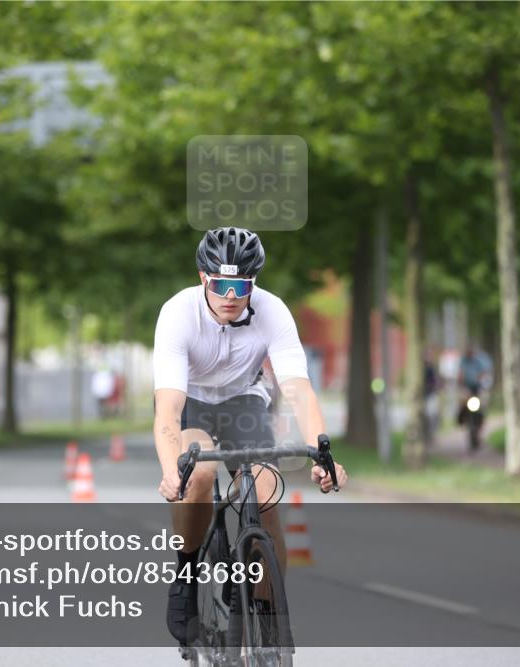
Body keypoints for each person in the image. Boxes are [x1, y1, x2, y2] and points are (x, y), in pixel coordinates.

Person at [152, 226, 348, 644]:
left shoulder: (273, 311)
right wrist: (172, 471)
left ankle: (263, 606)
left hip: (244, 399)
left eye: (240, 285)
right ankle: (186, 576)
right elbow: (167, 408)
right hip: (192, 401)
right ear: (203, 277)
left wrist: (324, 456)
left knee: (264, 489)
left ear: (253, 282)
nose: (230, 295)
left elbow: (299, 389)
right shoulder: (177, 313)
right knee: (198, 475)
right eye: (220, 284)